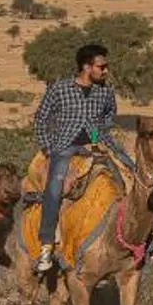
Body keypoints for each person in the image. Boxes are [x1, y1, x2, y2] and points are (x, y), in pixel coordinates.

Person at [29, 42, 117, 274]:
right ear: (87, 67)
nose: (105, 70)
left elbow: (108, 117)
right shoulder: (59, 88)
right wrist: (49, 148)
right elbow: (41, 119)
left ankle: (151, 238)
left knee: (131, 172)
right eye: (102, 66)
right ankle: (46, 245)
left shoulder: (105, 92)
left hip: (96, 147)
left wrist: (96, 138)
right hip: (64, 147)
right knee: (55, 188)